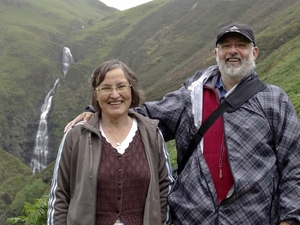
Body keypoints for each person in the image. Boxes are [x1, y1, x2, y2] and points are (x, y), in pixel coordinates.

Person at [64, 23, 300, 224]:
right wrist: (97, 112)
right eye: (226, 46)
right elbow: (147, 117)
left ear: (255, 52)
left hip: (251, 217)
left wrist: (289, 218)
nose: (233, 51)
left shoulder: (273, 100)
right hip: (192, 216)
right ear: (216, 52)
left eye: (241, 45)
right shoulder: (192, 95)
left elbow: (294, 164)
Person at [47, 60, 173, 225]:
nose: (114, 95)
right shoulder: (76, 136)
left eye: (121, 86)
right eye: (106, 88)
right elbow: (59, 195)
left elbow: (166, 188)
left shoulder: (152, 134)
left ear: (132, 90)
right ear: (96, 94)